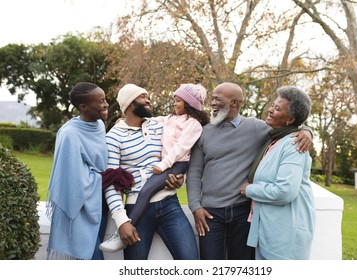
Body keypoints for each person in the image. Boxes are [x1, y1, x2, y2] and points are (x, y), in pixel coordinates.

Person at [186, 82, 313, 260]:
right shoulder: (204, 132)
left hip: (243, 213)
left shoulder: (256, 127)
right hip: (210, 214)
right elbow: (194, 172)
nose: (212, 103)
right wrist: (195, 206)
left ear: (235, 103)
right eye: (212, 98)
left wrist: (307, 132)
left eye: (217, 99)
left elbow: (289, 128)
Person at [99, 83, 209, 253]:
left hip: (169, 204)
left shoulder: (160, 126)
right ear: (129, 104)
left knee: (191, 261)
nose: (148, 100)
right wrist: (122, 221)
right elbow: (111, 184)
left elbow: (179, 152)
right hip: (136, 210)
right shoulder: (113, 137)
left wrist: (180, 179)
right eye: (143, 97)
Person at [240, 86, 315, 260]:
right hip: (269, 231)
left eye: (277, 108)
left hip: (285, 236)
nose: (271, 109)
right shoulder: (275, 139)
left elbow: (285, 191)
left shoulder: (294, 144)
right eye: (273, 105)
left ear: (290, 119)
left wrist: (249, 189)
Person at [46, 82, 109, 260]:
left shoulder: (100, 126)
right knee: (91, 256)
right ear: (84, 107)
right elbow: (71, 178)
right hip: (81, 205)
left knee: (96, 252)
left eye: (105, 100)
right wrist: (104, 177)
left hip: (102, 203)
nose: (105, 105)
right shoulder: (69, 134)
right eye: (101, 101)